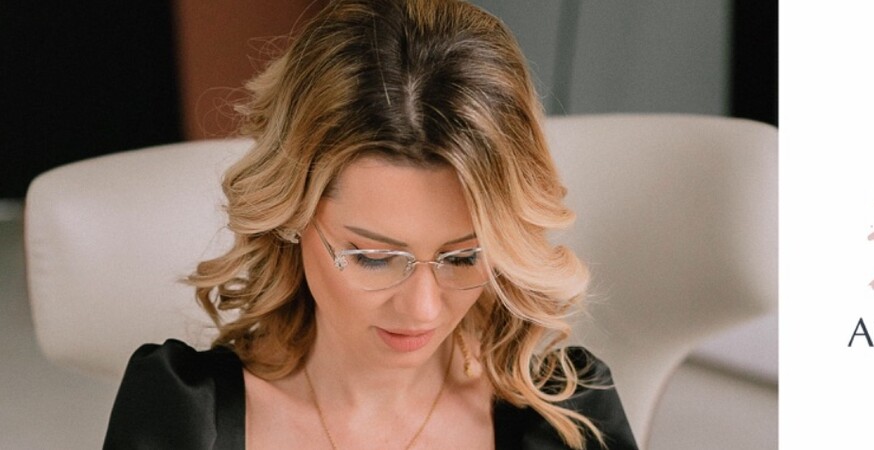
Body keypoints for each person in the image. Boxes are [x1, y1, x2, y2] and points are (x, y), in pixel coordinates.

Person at [102, 0, 638, 448]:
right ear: (290, 218)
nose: (422, 309)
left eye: (463, 257)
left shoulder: (567, 421)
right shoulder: (184, 420)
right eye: (374, 258)